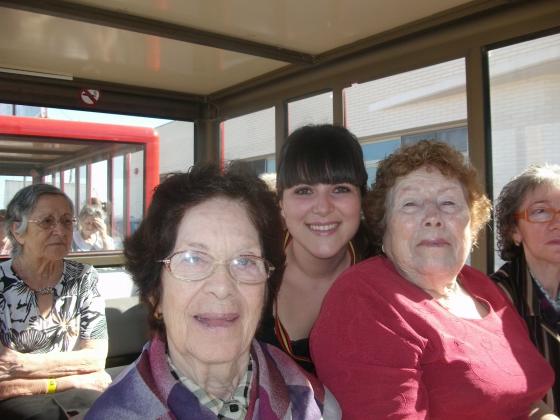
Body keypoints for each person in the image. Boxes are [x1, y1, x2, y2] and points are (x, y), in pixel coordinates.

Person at [311, 141, 556, 419]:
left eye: (448, 203)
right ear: (384, 227)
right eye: (411, 204)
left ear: (472, 224)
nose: (432, 218)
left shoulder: (481, 286)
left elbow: (528, 402)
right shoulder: (364, 299)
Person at [86, 164, 340, 419]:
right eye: (193, 259)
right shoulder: (113, 414)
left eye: (245, 261)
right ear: (155, 293)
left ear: (265, 290)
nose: (222, 287)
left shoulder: (317, 405)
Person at [256, 124, 371, 373]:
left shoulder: (386, 277)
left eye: (340, 189)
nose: (323, 207)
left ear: (361, 200)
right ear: (281, 204)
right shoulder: (251, 268)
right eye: (304, 191)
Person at [0, 184, 111, 419]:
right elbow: (2, 377)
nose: (60, 230)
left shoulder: (83, 278)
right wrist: (73, 379)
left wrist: (23, 367)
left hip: (76, 398)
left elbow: (95, 359)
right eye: (47, 221)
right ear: (18, 231)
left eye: (67, 221)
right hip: (20, 407)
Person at [491, 164, 560, 412]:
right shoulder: (493, 299)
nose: (557, 223)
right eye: (540, 211)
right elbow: (507, 395)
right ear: (514, 231)